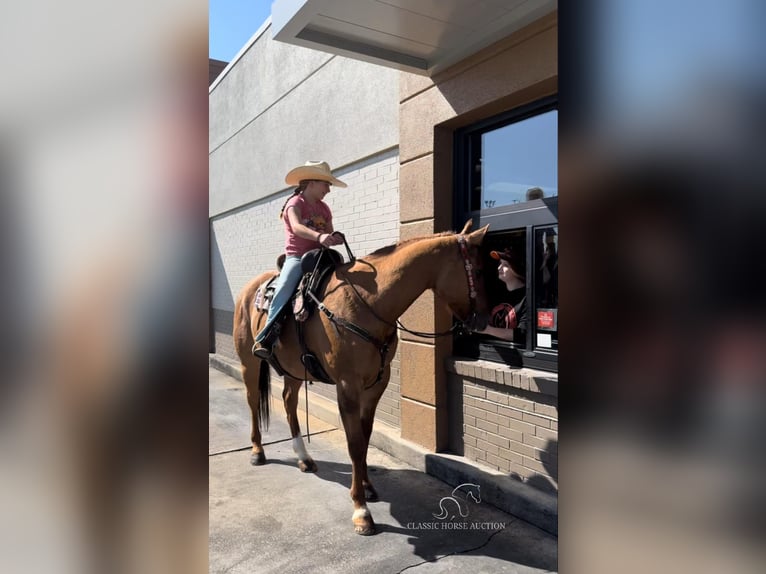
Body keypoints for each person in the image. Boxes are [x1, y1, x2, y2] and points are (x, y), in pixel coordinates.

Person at [253, 161, 346, 359]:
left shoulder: (324, 208)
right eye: (326, 184)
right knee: (285, 286)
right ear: (311, 182)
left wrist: (333, 238)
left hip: (321, 256)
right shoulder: (295, 204)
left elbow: (328, 230)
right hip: (298, 257)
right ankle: (267, 337)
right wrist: (319, 237)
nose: (328, 190)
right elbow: (296, 228)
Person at [475, 247, 528, 341]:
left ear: (516, 269)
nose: (499, 267)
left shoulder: (528, 298)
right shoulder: (495, 294)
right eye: (500, 264)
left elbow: (524, 334)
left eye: (505, 265)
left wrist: (487, 330)